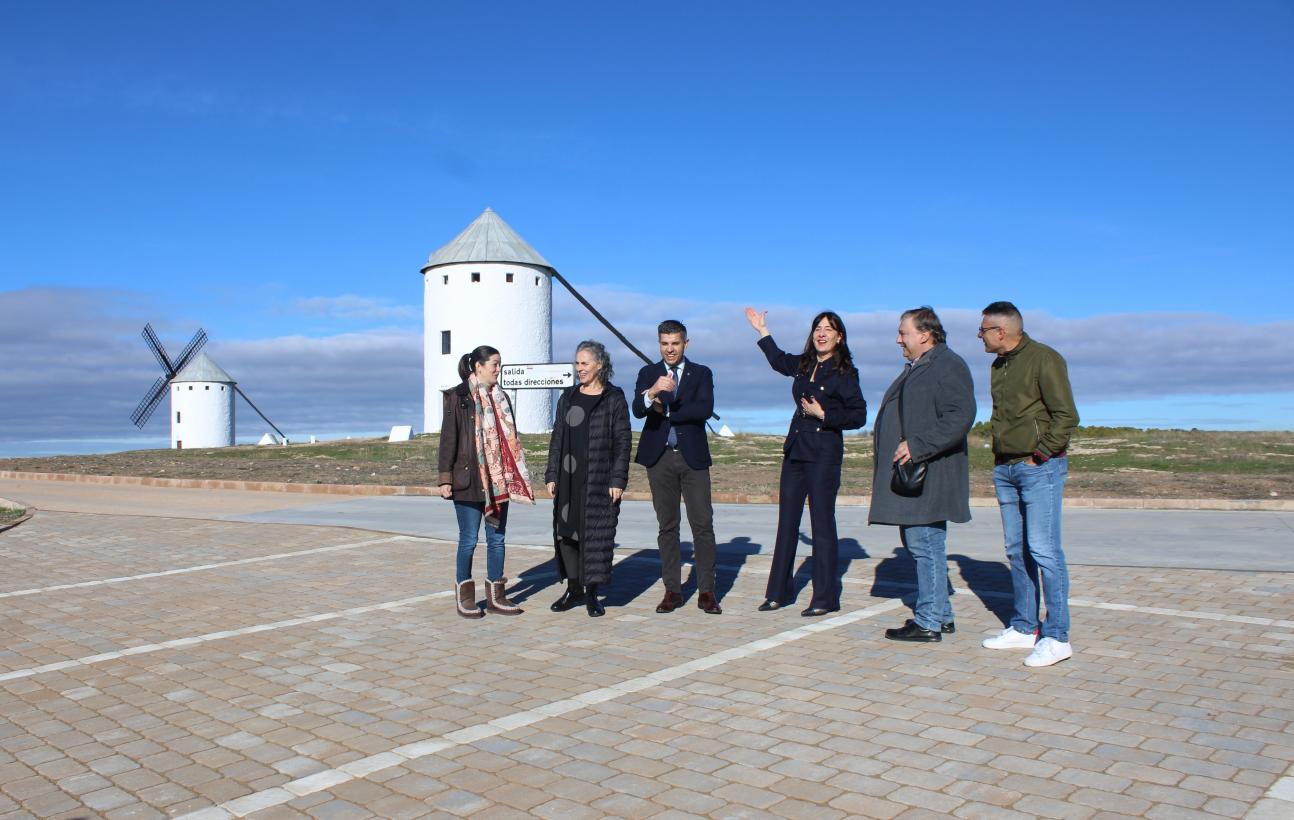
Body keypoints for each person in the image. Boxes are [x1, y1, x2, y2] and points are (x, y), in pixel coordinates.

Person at [745, 307, 867, 615]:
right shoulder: (804, 364)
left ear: (839, 338)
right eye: (817, 328)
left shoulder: (845, 374)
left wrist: (824, 415)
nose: (821, 333)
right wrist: (762, 329)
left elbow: (859, 414)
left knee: (822, 525)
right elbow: (777, 359)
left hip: (824, 454)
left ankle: (824, 598)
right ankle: (778, 593)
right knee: (787, 523)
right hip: (796, 451)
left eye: (828, 329)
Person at [978, 301, 1079, 667]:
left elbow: (1066, 414)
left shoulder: (1044, 358)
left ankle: (1057, 636)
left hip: (1039, 468)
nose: (980, 335)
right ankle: (1023, 627)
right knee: (1016, 550)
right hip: (1006, 468)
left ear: (1001, 331)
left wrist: (1042, 453)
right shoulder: (999, 365)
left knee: (1044, 550)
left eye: (983, 329)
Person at [869, 307, 976, 642]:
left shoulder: (947, 364)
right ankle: (941, 616)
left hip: (930, 474)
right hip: (916, 476)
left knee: (925, 545)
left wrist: (918, 445)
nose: (898, 339)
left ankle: (928, 622)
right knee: (921, 544)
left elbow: (960, 415)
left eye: (904, 332)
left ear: (925, 334)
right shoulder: (922, 365)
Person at [438, 345, 534, 619]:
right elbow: (448, 439)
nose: (498, 369)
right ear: (478, 367)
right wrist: (445, 478)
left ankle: (496, 597)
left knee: (497, 540)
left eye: (500, 364)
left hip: (497, 481)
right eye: (494, 364)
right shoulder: (458, 397)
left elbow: (509, 439)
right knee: (468, 540)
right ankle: (465, 597)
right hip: (467, 480)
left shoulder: (501, 398)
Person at [633, 320, 721, 615]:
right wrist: (652, 392)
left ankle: (707, 591)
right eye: (664, 343)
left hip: (693, 457)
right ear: (659, 344)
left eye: (675, 343)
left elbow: (704, 409)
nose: (669, 349)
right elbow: (637, 408)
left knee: (702, 525)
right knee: (667, 526)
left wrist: (666, 407)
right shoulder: (648, 373)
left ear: (686, 343)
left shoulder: (702, 373)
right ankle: (673, 590)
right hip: (659, 458)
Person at [545, 340, 632, 617]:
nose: (578, 368)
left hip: (598, 480)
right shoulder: (568, 396)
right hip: (568, 478)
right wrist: (551, 473)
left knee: (594, 537)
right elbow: (557, 437)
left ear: (600, 365)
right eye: (577, 363)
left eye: (584, 363)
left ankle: (592, 593)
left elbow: (623, 441)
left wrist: (618, 479)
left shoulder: (613, 398)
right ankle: (573, 589)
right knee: (567, 534)